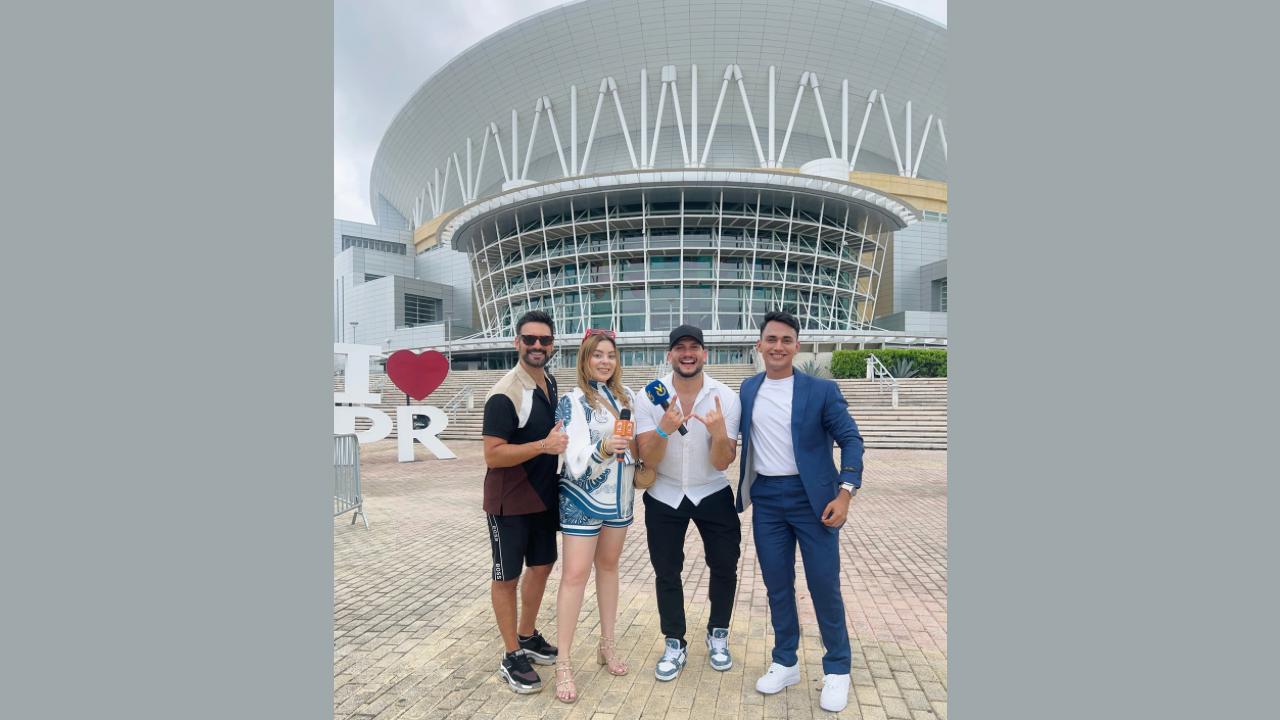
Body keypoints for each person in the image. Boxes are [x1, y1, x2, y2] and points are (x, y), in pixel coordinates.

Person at [736, 310, 865, 713]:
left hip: (815, 500)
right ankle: (785, 660)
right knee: (777, 585)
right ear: (759, 345)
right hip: (768, 499)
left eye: (786, 340)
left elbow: (852, 440)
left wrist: (845, 492)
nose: (778, 346)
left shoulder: (820, 391)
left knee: (823, 584)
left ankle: (837, 669)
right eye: (771, 339)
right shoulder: (748, 388)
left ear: (797, 346)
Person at [635, 325, 742, 681]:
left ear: (704, 354)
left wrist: (718, 432)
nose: (687, 353)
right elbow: (648, 459)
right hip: (664, 493)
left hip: (711, 489)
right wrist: (664, 428)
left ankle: (718, 633)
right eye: (679, 348)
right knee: (667, 571)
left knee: (725, 565)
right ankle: (674, 642)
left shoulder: (724, 397)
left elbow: (722, 462)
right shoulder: (649, 396)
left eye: (694, 347)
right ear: (670, 355)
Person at [481, 310, 568, 695]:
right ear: (517, 343)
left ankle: (527, 634)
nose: (537, 346)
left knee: (543, 565)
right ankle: (511, 654)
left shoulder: (547, 381)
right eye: (529, 339)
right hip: (510, 499)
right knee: (507, 576)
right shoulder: (505, 393)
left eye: (544, 341)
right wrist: (544, 447)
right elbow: (493, 455)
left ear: (552, 346)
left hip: (543, 497)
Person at [551, 328, 638, 703]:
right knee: (574, 576)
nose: (605, 361)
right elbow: (572, 459)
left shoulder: (626, 396)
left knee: (609, 568)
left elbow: (638, 439)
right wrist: (603, 447)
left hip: (620, 498)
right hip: (582, 498)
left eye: (611, 355)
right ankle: (564, 663)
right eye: (597, 355)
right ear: (585, 359)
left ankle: (607, 644)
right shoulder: (572, 401)